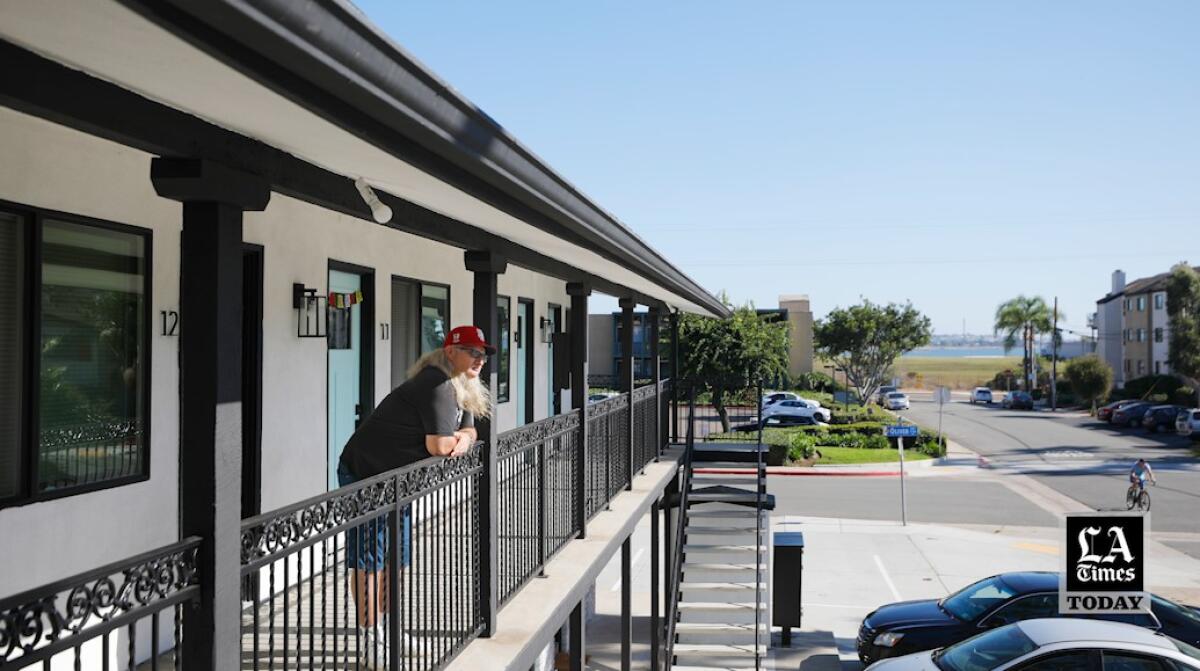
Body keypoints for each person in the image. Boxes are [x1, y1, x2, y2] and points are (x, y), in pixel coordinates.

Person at [336, 325, 494, 665]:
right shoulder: (436, 384)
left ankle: (390, 630)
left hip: (397, 482)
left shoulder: (459, 384)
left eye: (483, 354)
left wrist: (463, 440)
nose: (479, 359)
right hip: (367, 475)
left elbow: (468, 430)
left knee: (396, 558)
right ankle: (371, 639)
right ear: (450, 351)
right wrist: (461, 441)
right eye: (472, 351)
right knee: (370, 561)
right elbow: (439, 446)